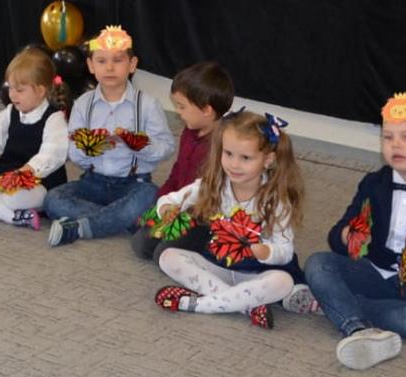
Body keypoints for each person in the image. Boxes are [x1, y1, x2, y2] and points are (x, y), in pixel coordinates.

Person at [284, 93, 406, 370]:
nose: (396, 144)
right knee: (318, 264)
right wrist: (348, 235)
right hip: (375, 272)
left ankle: (338, 305)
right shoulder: (374, 183)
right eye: (388, 137)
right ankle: (357, 329)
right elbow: (337, 237)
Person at [151, 110, 303, 329]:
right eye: (228, 154)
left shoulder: (277, 200)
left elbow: (285, 251)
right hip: (217, 265)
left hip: (256, 273)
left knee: (283, 282)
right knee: (168, 257)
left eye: (245, 158)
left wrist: (265, 251)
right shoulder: (214, 184)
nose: (234, 164)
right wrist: (168, 209)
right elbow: (171, 199)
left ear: (268, 160)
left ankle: (197, 304)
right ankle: (244, 305)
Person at [45, 26, 173, 248]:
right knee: (52, 199)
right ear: (91, 65)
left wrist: (140, 145)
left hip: (134, 183)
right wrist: (91, 148)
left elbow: (167, 147)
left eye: (118, 60)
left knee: (150, 195)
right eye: (102, 61)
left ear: (132, 64)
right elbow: (74, 153)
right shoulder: (83, 105)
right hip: (93, 181)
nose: (110, 67)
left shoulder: (148, 105)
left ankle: (82, 226)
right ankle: (118, 220)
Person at [0, 47, 70, 230]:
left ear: (40, 91)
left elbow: (52, 154)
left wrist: (25, 172)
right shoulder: (9, 112)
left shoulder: (54, 119)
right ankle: (11, 216)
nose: (12, 95)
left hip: (37, 181)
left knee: (12, 197)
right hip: (5, 173)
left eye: (20, 90)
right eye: (11, 88)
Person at [130, 61, 235, 262]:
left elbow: (213, 194)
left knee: (163, 254)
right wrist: (163, 200)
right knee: (140, 243)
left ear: (206, 110)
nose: (178, 112)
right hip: (177, 205)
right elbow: (178, 170)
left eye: (182, 106)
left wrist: (181, 212)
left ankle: (211, 245)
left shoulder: (226, 144)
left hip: (203, 216)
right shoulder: (189, 131)